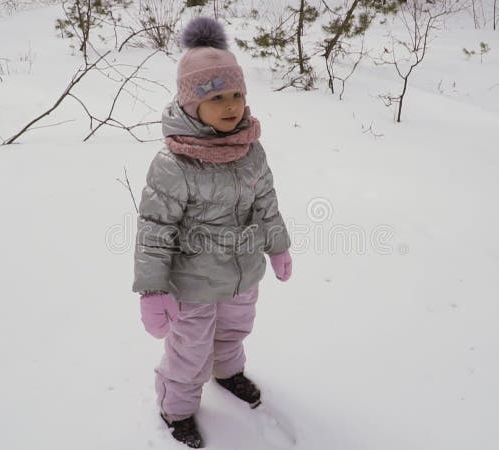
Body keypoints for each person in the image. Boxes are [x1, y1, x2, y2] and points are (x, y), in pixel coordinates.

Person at [132, 17, 293, 449]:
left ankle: (228, 372)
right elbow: (155, 228)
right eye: (216, 96)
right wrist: (152, 290)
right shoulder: (175, 164)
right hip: (193, 283)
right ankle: (177, 409)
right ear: (190, 104)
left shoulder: (249, 149)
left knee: (235, 330)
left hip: (243, 273)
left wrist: (277, 246)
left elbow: (266, 202)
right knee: (189, 351)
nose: (231, 106)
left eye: (237, 94)